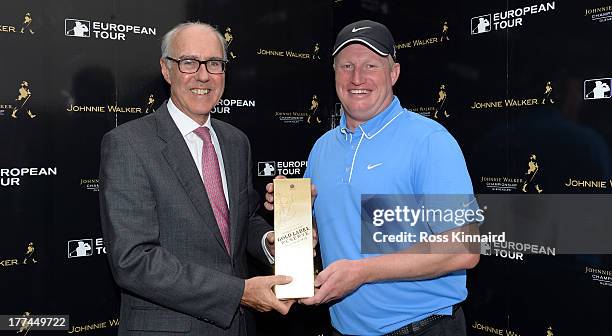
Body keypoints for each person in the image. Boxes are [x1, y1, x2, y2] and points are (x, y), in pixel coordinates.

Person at [266, 20, 479, 335]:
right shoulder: (322, 148)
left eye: (371, 66)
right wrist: (290, 227)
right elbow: (331, 228)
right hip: (344, 328)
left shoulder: (429, 141)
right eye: (347, 66)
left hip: (421, 328)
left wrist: (363, 272)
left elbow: (463, 247)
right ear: (334, 73)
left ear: (393, 73)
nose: (357, 78)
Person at [99, 22, 293, 336]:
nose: (203, 75)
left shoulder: (236, 141)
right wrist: (238, 293)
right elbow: (133, 260)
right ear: (166, 69)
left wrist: (267, 241)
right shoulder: (128, 144)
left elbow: (242, 219)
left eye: (215, 64)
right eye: (189, 62)